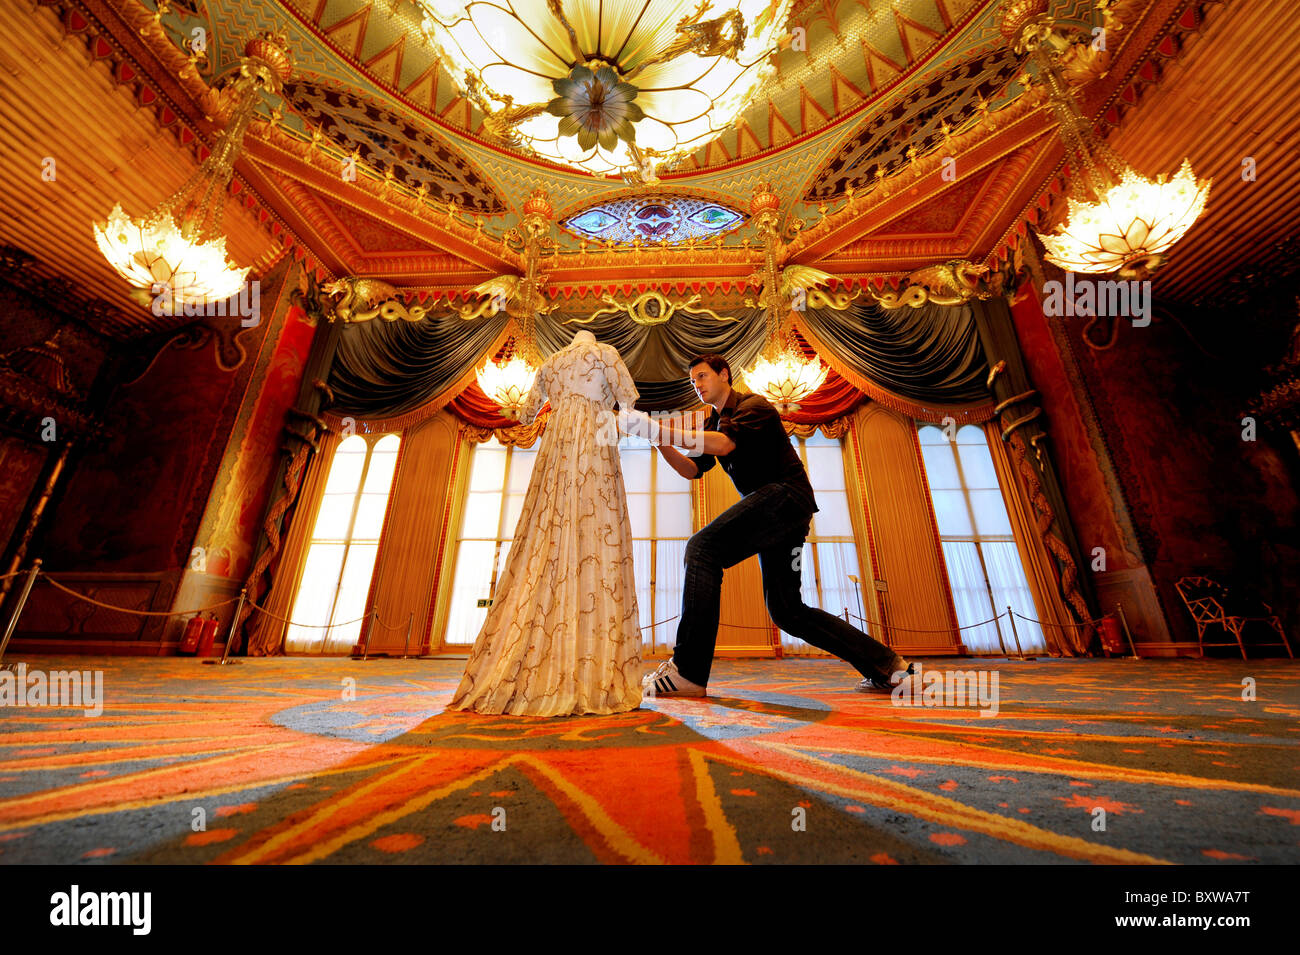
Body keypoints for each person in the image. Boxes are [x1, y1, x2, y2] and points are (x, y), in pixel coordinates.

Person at [641, 353, 913, 698]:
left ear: (724, 374)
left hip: (785, 499)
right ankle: (889, 668)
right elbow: (692, 470)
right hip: (781, 514)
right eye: (693, 381)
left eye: (703, 376)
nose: (697, 385)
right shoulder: (713, 424)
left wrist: (659, 427)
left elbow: (725, 445)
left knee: (702, 548)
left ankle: (689, 672)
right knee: (787, 610)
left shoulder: (754, 405)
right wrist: (661, 442)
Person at [449, 330, 643, 716]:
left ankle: (536, 658)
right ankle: (589, 666)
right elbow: (629, 403)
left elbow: (522, 415)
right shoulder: (606, 353)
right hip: (592, 439)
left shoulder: (549, 363)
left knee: (548, 530)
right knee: (595, 529)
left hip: (556, 442)